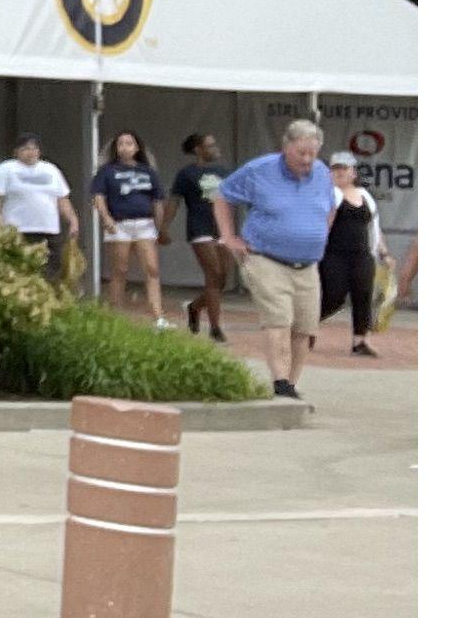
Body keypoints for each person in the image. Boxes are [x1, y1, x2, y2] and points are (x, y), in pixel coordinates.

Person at [216, 114, 340, 402]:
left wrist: (318, 233)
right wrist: (229, 237)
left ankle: (292, 383)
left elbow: (330, 206)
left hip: (308, 264)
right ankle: (280, 381)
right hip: (266, 259)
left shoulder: (321, 172)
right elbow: (222, 196)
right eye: (301, 153)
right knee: (278, 321)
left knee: (305, 327)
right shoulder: (259, 170)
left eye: (312, 153)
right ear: (286, 147)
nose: (307, 159)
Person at [0, 127, 75, 289]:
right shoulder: (6, 169)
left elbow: (62, 199)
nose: (30, 152)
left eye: (34, 148)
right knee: (19, 270)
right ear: (16, 151)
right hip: (18, 230)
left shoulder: (51, 170)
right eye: (25, 148)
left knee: (50, 271)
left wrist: (73, 220)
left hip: (48, 229)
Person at [91, 128, 166, 320]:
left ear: (137, 147)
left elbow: (157, 200)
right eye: (121, 144)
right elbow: (99, 196)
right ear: (116, 148)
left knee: (152, 268)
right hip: (119, 224)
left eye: (129, 143)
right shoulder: (107, 171)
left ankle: (158, 315)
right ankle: (115, 314)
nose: (125, 148)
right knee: (120, 269)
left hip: (144, 224)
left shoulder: (148, 171)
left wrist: (160, 226)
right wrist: (106, 217)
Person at [320, 147, 385, 359]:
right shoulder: (328, 195)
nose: (339, 172)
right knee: (334, 297)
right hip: (334, 256)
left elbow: (374, 226)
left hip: (362, 255)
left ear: (353, 173)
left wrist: (383, 251)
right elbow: (323, 226)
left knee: (363, 296)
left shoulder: (366, 196)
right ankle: (305, 327)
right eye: (335, 169)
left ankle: (360, 342)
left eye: (344, 168)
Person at [170, 127, 235, 341]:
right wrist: (162, 227)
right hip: (200, 228)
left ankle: (194, 307)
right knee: (214, 274)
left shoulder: (225, 172)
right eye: (210, 145)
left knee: (222, 280)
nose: (215, 149)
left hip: (222, 228)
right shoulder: (186, 174)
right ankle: (215, 329)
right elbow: (174, 202)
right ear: (198, 150)